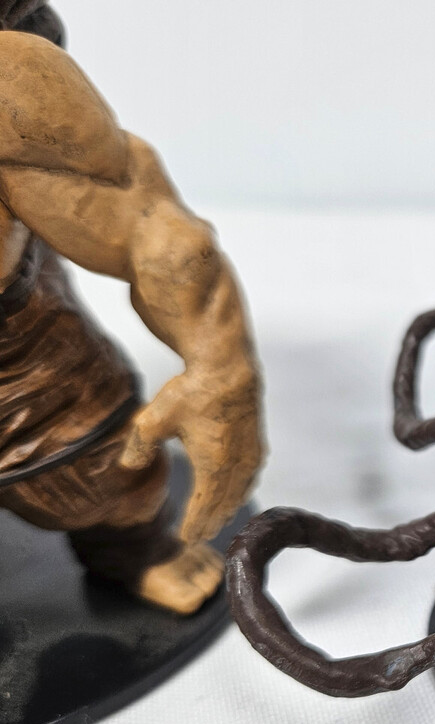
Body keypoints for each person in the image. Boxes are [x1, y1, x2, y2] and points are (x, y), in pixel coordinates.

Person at [0, 3, 263, 613]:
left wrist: (218, 368)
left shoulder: (8, 79)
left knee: (107, 479)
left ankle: (130, 550)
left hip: (18, 356)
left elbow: (142, 219)